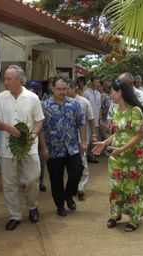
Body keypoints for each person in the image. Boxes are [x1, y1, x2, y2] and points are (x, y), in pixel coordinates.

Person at [0, 65, 44, 231]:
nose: (5, 82)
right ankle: (14, 215)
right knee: (9, 184)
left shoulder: (33, 98)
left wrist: (34, 135)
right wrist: (7, 127)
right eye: (4, 78)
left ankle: (32, 206)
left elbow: (39, 120)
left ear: (20, 80)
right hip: (6, 148)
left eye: (9, 79)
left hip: (29, 147)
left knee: (32, 180)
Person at [92, 80, 143, 232]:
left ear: (120, 92)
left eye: (112, 92)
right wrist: (104, 142)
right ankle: (115, 214)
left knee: (133, 188)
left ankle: (135, 219)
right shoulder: (116, 111)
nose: (110, 94)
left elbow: (140, 135)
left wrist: (121, 149)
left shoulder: (135, 111)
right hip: (117, 156)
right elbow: (117, 134)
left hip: (134, 158)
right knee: (115, 186)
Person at [39, 77, 87, 217]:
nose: (62, 92)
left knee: (78, 170)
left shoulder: (74, 105)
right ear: (52, 88)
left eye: (64, 89)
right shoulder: (44, 106)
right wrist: (44, 147)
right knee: (56, 179)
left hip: (72, 147)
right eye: (59, 89)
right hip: (53, 149)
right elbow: (40, 128)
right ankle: (60, 205)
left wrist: (83, 141)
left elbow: (82, 123)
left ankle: (68, 195)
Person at [67, 80, 97, 201]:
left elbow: (91, 119)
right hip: (68, 138)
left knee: (82, 162)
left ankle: (81, 187)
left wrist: (94, 135)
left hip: (82, 137)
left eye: (68, 88)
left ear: (74, 88)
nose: (66, 91)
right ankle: (73, 185)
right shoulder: (64, 102)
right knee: (71, 164)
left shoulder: (84, 102)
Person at [83, 76, 102, 163]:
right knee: (87, 138)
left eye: (98, 82)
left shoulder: (98, 94)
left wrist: (100, 119)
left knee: (94, 139)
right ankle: (85, 156)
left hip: (96, 120)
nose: (97, 84)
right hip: (88, 120)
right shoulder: (86, 93)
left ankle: (92, 155)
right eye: (95, 82)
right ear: (91, 82)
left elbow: (99, 108)